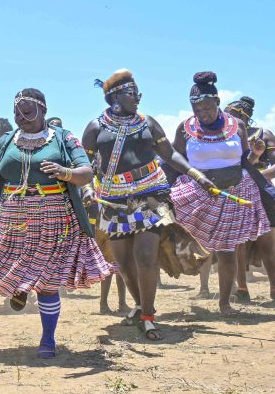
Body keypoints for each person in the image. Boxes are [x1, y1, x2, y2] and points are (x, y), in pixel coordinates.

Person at [0, 89, 115, 359]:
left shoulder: (64, 138)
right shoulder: (8, 140)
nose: (21, 119)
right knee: (9, 266)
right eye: (17, 114)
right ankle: (20, 288)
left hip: (53, 216)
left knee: (48, 282)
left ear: (43, 110)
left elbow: (86, 171)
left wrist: (65, 172)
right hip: (12, 217)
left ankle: (48, 338)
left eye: (28, 113)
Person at [81, 70, 215, 339]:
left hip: (151, 193)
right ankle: (140, 304)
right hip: (113, 199)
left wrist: (197, 175)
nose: (138, 98)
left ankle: (148, 315)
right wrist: (86, 189)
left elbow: (170, 154)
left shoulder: (147, 123)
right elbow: (83, 165)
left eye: (138, 93)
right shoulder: (96, 128)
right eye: (132, 94)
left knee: (144, 256)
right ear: (115, 97)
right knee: (123, 262)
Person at [170, 73, 275, 315]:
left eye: (207, 107)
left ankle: (225, 303)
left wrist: (256, 156)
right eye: (197, 108)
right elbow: (174, 159)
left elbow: (245, 162)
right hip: (198, 192)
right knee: (179, 238)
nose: (202, 112)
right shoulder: (185, 128)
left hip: (234, 191)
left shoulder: (238, 127)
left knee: (227, 251)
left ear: (217, 101)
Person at [224, 97, 275, 303]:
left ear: (244, 117)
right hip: (236, 192)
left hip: (262, 192)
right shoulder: (223, 137)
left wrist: (255, 176)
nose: (228, 119)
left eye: (232, 116)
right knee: (239, 242)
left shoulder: (263, 135)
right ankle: (242, 289)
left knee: (267, 241)